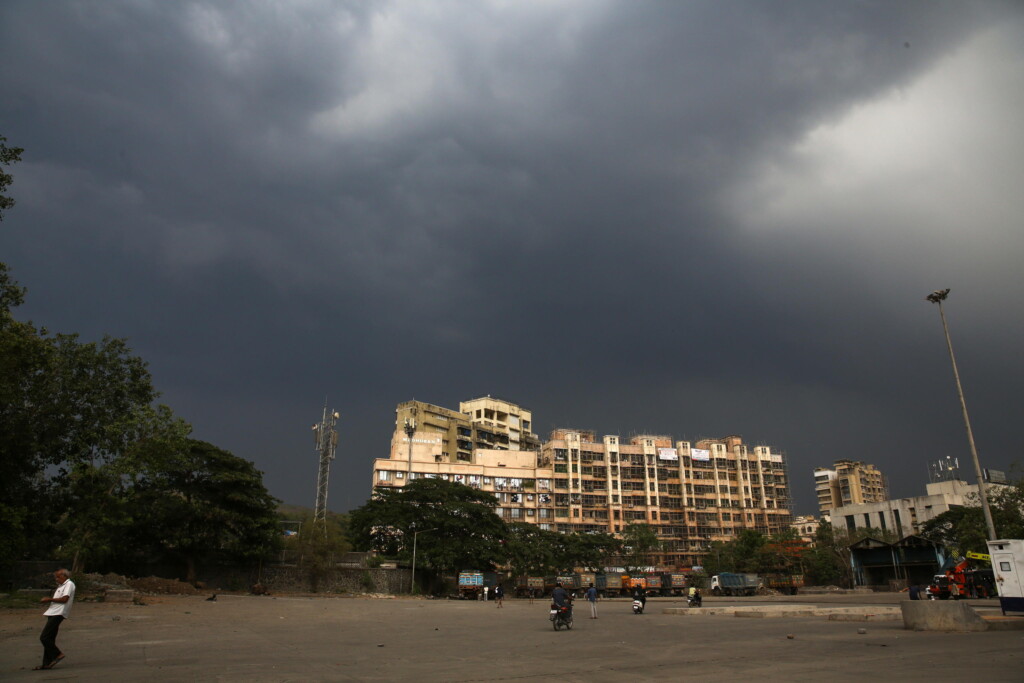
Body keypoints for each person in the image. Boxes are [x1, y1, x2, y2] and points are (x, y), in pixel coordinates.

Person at [36, 568, 75, 671]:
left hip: (59, 613)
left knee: (44, 637)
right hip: (52, 612)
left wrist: (49, 599)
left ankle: (58, 654)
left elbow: (64, 599)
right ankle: (46, 663)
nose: (56, 579)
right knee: (49, 638)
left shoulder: (69, 584)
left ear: (64, 576)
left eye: (58, 577)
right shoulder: (61, 586)